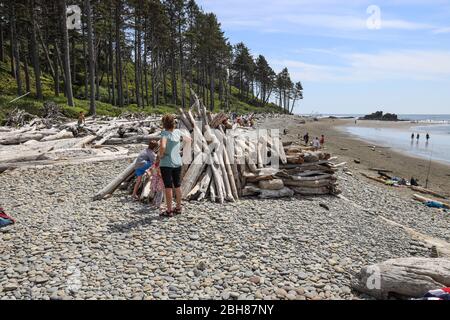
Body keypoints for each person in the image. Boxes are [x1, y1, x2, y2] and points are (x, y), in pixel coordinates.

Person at [159, 114, 192, 217]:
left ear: (164, 124)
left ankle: (169, 211)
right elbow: (189, 140)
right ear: (173, 123)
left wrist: (161, 154)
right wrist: (179, 149)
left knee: (168, 187)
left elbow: (163, 145)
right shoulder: (178, 132)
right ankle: (178, 207)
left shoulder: (164, 133)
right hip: (177, 162)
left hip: (166, 163)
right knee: (177, 185)